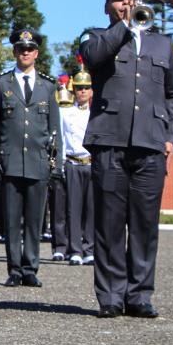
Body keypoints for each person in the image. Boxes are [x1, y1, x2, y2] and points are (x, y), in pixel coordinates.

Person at [79, 0, 173, 319]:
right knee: (108, 224)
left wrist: (171, 137)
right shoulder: (95, 36)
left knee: (144, 224)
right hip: (109, 143)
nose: (127, 2)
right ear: (108, 5)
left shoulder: (162, 44)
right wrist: (125, 26)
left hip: (150, 145)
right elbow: (94, 59)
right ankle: (110, 296)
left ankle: (140, 295)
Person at [0, 28, 60, 289]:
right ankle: (14, 269)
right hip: (10, 161)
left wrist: (57, 164)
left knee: (34, 220)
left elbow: (55, 129)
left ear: (36, 53)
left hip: (39, 162)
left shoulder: (48, 86)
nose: (25, 52)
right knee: (11, 219)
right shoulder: (0, 84)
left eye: (29, 49)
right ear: (14, 52)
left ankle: (31, 268)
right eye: (20, 48)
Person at [61, 70, 95, 265]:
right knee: (73, 209)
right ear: (73, 90)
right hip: (72, 162)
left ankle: (89, 248)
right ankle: (74, 249)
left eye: (86, 88)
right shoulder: (66, 113)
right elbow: (63, 140)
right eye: (79, 88)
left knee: (91, 209)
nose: (82, 91)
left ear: (91, 91)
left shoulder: (96, 113)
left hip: (91, 163)